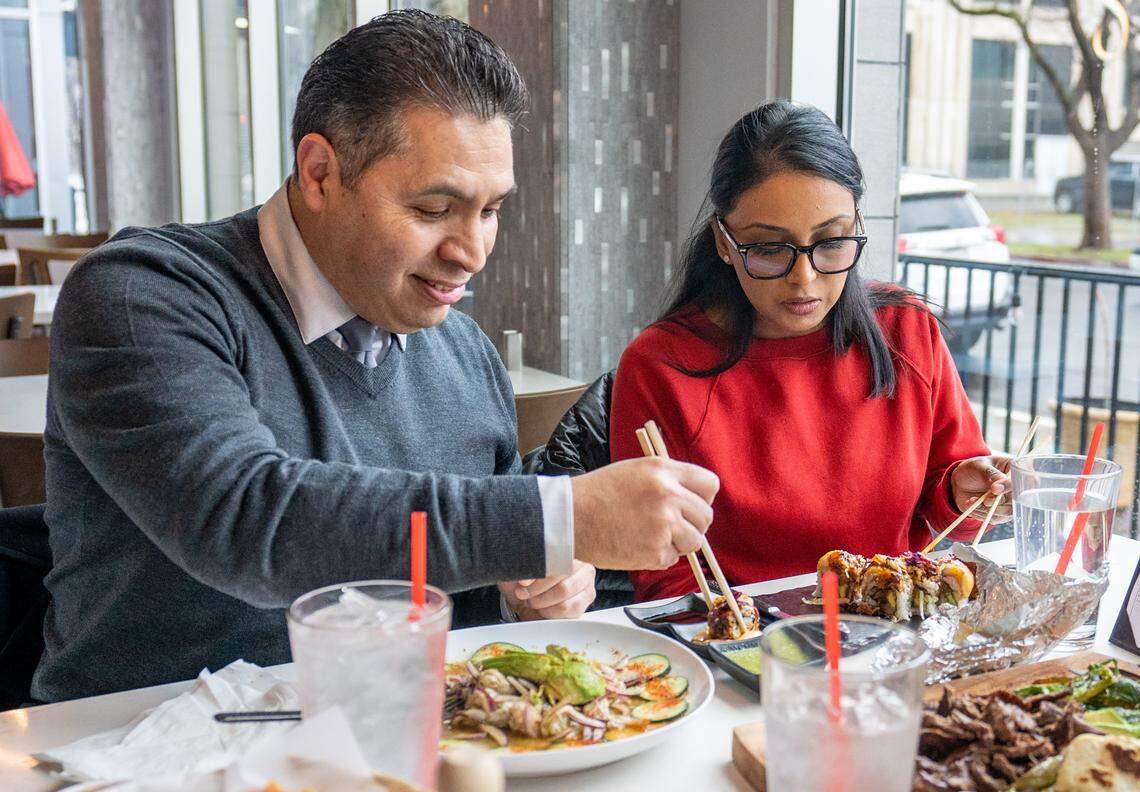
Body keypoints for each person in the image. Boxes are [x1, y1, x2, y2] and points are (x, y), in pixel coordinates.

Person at [35, 10, 718, 702]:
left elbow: (471, 571)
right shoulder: (141, 295)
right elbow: (246, 517)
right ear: (320, 173)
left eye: (490, 211)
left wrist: (532, 587)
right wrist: (553, 519)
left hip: (396, 742)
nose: (472, 251)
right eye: (434, 209)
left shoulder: (462, 352)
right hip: (139, 749)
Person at [609, 101, 1009, 603]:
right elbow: (667, 574)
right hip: (745, 652)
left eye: (832, 241)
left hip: (893, 638)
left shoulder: (906, 331)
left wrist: (959, 492)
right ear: (724, 241)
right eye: (770, 249)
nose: (805, 278)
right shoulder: (660, 366)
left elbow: (951, 521)